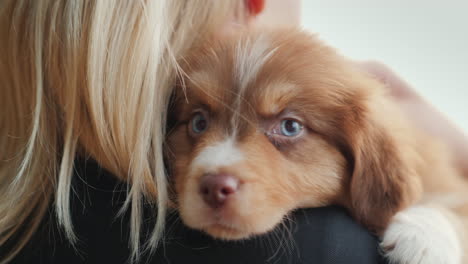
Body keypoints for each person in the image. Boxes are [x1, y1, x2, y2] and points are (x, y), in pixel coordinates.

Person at [1, 0, 466, 263]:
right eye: (199, 123)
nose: (217, 168)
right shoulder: (328, 249)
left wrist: (441, 209)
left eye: (288, 127)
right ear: (252, 4)